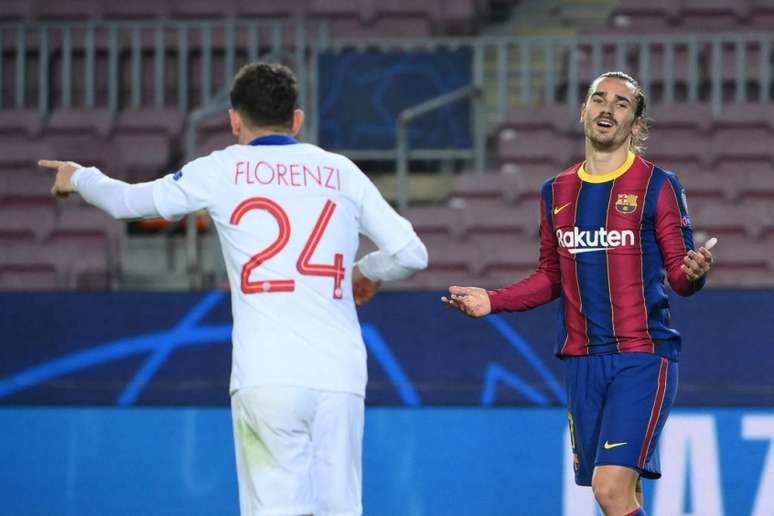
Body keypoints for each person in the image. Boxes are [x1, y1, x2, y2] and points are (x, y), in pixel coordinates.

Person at [40, 62, 428, 516]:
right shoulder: (340, 172)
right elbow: (412, 254)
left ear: (234, 120)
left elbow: (130, 203)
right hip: (340, 376)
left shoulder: (223, 169)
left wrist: (78, 175)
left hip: (266, 376)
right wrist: (367, 270)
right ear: (297, 119)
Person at [441, 71, 713, 516]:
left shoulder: (658, 185)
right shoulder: (556, 192)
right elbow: (552, 275)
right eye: (598, 99)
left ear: (637, 125)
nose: (607, 108)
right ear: (583, 111)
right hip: (583, 362)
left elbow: (681, 280)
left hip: (641, 357)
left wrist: (695, 273)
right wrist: (493, 300)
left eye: (621, 103)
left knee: (609, 489)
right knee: (622, 496)